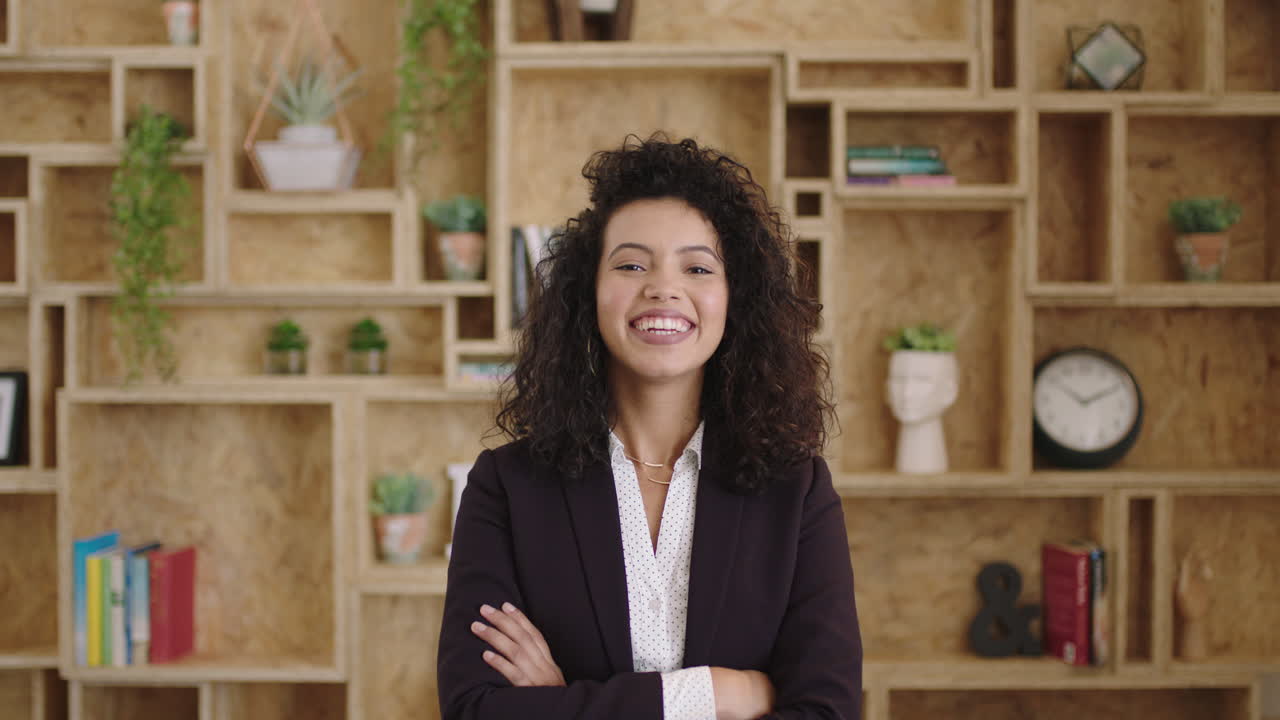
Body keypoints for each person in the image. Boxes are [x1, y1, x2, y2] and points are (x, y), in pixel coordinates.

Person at [437, 134, 862, 719]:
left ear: (734, 299)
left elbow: (827, 711)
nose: (663, 287)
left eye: (697, 267)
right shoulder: (507, 488)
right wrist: (716, 693)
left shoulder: (798, 492)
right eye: (632, 264)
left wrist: (563, 705)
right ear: (588, 294)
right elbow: (475, 711)